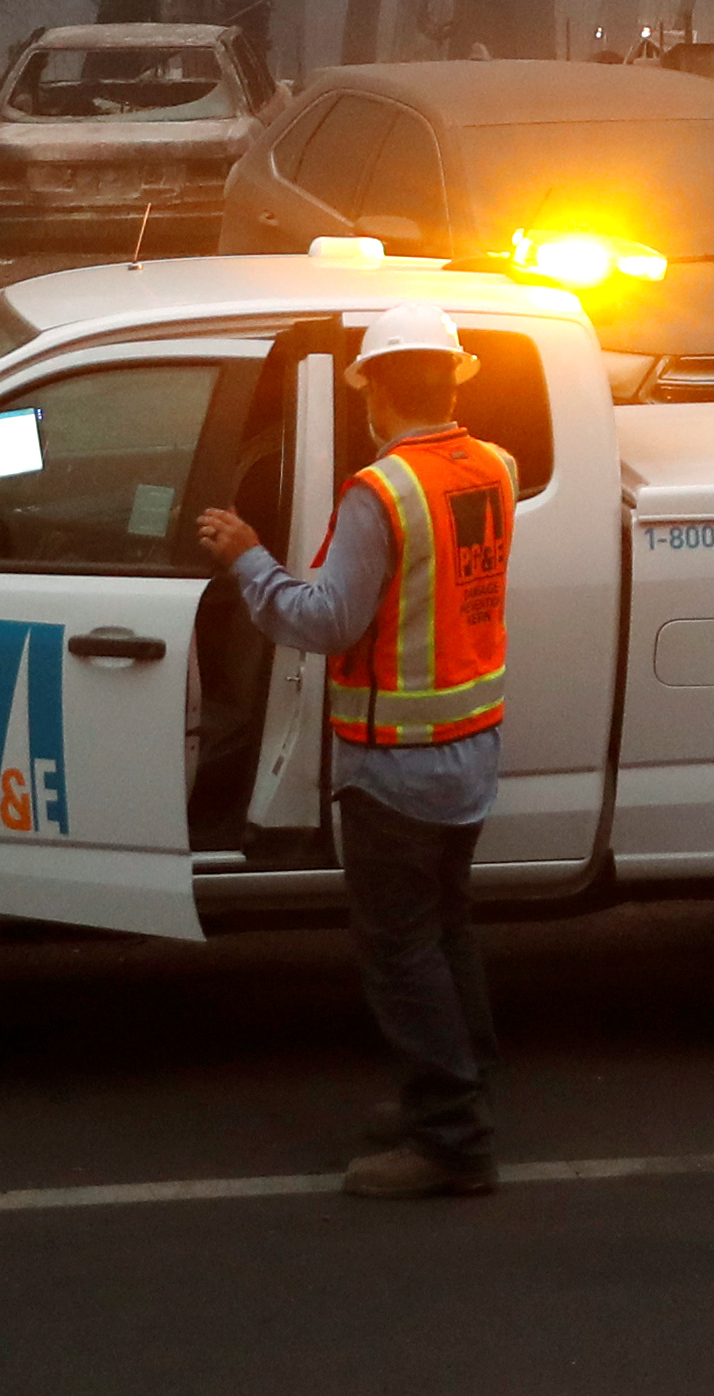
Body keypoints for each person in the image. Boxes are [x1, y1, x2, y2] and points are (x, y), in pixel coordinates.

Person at [193, 302, 517, 1201]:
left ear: (371, 387)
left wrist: (250, 558)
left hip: (398, 762)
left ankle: (453, 1139)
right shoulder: (493, 466)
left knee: (402, 952)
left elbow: (326, 620)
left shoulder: (383, 491)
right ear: (454, 377)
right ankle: (458, 1083)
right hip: (469, 751)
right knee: (445, 932)